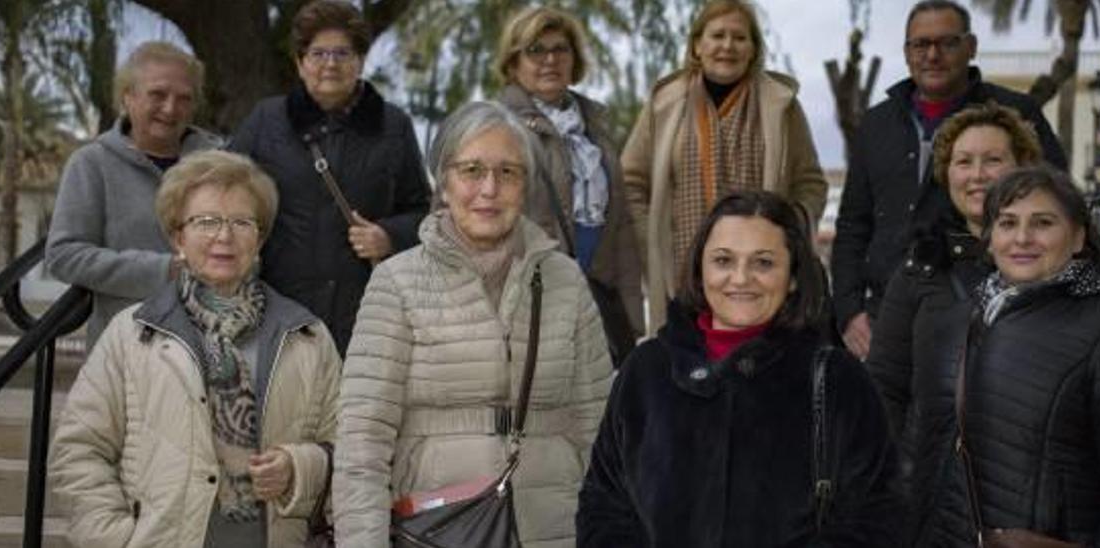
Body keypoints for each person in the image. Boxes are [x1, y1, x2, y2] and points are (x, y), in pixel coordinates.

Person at [332, 101, 612, 547]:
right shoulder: (396, 283)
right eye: (472, 170)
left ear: (527, 187)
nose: (489, 189)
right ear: (443, 182)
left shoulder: (565, 281)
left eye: (508, 173)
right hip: (440, 531)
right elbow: (361, 443)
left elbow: (600, 430)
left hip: (555, 529)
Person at [50, 150, 342, 547]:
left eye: (242, 222)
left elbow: (351, 451)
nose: (224, 236)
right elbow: (79, 451)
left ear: (260, 238)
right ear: (177, 237)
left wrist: (299, 467)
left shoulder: (307, 336)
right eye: (206, 221)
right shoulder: (131, 335)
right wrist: (117, 540)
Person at [577, 190, 899, 547]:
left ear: (792, 277)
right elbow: (604, 505)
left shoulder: (839, 380)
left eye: (763, 262)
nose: (741, 278)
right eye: (723, 260)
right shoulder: (647, 371)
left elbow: (875, 518)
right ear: (700, 269)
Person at [892, 167, 1100, 547]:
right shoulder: (948, 327)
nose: (1022, 238)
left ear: (1078, 236)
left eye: (1043, 223)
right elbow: (914, 459)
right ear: (989, 238)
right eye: (1007, 223)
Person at [831, 0, 1066, 360]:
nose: (933, 55)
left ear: (970, 47)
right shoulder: (876, 123)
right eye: (920, 45)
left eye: (947, 42)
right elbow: (852, 224)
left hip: (979, 313)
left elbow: (1060, 206)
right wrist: (849, 312)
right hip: (883, 317)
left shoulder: (1017, 113)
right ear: (907, 52)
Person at [865, 102, 1044, 545]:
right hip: (934, 505)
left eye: (993, 160)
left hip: (1038, 508)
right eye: (964, 162)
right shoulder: (920, 270)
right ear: (946, 176)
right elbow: (886, 386)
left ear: (1024, 169)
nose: (978, 174)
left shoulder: (1064, 267)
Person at [230, 0, 431, 355]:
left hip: (367, 314)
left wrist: (390, 235)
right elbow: (224, 193)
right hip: (280, 310)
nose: (331, 64)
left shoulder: (393, 125)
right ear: (300, 62)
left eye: (343, 53)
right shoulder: (266, 120)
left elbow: (423, 212)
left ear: (360, 61)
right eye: (318, 53)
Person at [622, 0, 828, 332]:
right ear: (697, 45)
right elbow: (631, 181)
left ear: (753, 49)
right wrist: (655, 246)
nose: (727, 46)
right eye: (717, 35)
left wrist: (787, 235)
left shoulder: (780, 105)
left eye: (739, 37)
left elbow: (811, 183)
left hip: (759, 282)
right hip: (680, 278)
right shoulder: (665, 105)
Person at [46, 41, 221, 349]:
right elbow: (64, 256)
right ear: (127, 97)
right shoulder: (91, 164)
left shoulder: (223, 162)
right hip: (126, 352)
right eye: (158, 94)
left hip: (212, 353)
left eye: (184, 98)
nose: (170, 108)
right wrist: (164, 271)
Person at [495, 5, 645, 348]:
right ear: (514, 63)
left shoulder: (597, 129)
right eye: (535, 50)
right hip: (530, 306)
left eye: (560, 49)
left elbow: (620, 230)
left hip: (597, 304)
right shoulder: (494, 126)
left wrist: (633, 323)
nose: (550, 59)